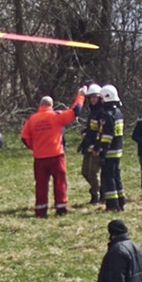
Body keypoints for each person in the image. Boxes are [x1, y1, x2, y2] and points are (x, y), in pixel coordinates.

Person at [19, 90, 86, 218]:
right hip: (56, 155)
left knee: (41, 184)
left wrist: (35, 147)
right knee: (60, 182)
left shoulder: (32, 119)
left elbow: (24, 138)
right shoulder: (57, 116)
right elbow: (75, 110)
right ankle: (61, 208)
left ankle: (41, 210)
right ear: (51, 105)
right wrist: (81, 96)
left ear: (40, 105)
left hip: (39, 158)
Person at [97, 84, 126, 211]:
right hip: (118, 150)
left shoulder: (107, 115)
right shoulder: (118, 112)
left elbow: (107, 135)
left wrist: (102, 149)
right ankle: (121, 201)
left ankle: (112, 204)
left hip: (109, 151)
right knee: (116, 176)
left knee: (109, 178)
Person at [79, 83, 104, 204]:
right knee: (85, 171)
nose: (93, 99)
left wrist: (97, 147)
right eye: (91, 97)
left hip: (96, 147)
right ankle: (99, 189)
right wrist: (85, 132)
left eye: (95, 97)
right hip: (88, 145)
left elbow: (102, 131)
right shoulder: (92, 112)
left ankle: (97, 194)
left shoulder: (102, 112)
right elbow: (91, 128)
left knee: (92, 172)